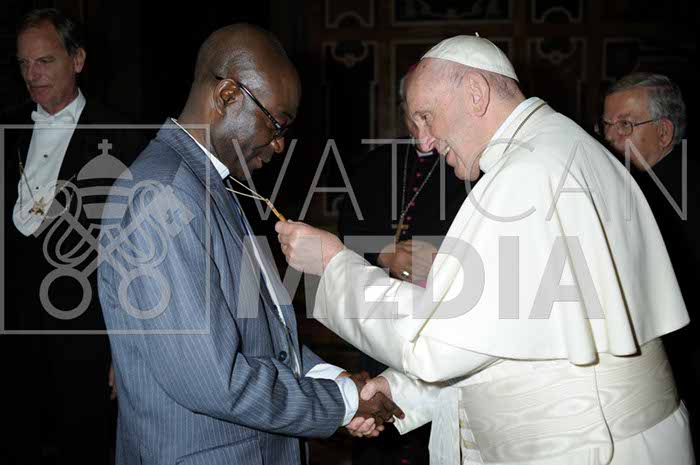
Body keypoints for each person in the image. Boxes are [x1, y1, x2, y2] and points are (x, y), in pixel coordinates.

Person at [277, 35, 694, 464]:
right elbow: (496, 339)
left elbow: (439, 343)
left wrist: (333, 264)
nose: (424, 142)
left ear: (476, 93)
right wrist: (398, 390)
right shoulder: (555, 149)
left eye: (427, 116)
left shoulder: (526, 174)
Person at [97, 24, 402, 465]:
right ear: (226, 96)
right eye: (276, 123)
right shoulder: (162, 195)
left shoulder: (211, 184)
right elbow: (214, 382)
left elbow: (262, 336)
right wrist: (339, 403)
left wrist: (336, 381)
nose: (279, 144)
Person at [1, 8, 141, 464]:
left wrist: (125, 352)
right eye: (23, 64)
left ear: (77, 60)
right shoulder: (6, 133)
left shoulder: (122, 137)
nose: (32, 75)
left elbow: (135, 258)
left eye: (44, 61)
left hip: (86, 350)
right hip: (13, 353)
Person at [339, 70, 468, 465]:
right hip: (382, 317)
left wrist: (445, 263)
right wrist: (385, 254)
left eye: (427, 117)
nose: (420, 131)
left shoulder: (468, 164)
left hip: (443, 316)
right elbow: (349, 228)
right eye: (412, 117)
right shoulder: (377, 163)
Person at [600, 72, 699, 450]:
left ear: (664, 132)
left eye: (625, 125)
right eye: (606, 125)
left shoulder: (667, 193)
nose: (610, 138)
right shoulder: (642, 183)